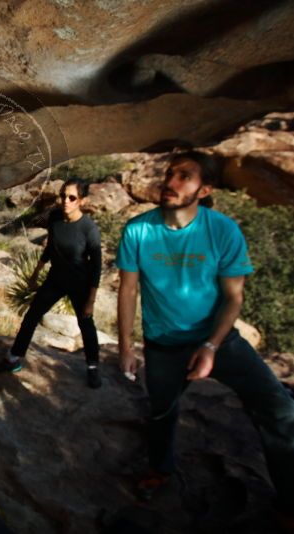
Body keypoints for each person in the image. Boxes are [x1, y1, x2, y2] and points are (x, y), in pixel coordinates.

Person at [116, 151, 294, 524]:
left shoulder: (222, 230)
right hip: (163, 345)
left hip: (218, 340)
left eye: (184, 176)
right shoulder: (139, 230)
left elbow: (234, 297)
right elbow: (128, 291)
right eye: (170, 173)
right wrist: (126, 347)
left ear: (205, 188)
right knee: (162, 412)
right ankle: (160, 469)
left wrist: (211, 346)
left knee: (278, 409)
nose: (171, 181)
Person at [0, 177, 103, 389]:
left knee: (86, 323)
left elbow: (96, 265)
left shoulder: (89, 229)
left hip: (80, 283)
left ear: (82, 201)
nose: (66, 201)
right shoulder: (55, 218)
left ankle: (93, 368)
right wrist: (35, 274)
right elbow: (50, 248)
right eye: (63, 196)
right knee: (31, 316)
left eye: (72, 197)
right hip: (55, 279)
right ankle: (13, 358)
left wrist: (91, 299)